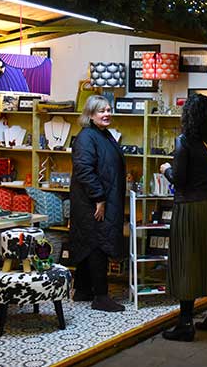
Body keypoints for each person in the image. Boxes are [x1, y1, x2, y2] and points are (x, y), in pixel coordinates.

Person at [159, 94, 207, 342]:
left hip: (189, 208)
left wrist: (166, 170)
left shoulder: (184, 142)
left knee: (187, 261)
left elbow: (180, 180)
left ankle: (185, 323)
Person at [70, 95, 126, 312]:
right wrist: (99, 199)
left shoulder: (103, 134)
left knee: (90, 242)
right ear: (90, 115)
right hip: (92, 202)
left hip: (102, 198)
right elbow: (84, 170)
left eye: (108, 109)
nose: (107, 114)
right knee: (97, 245)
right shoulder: (86, 137)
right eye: (101, 111)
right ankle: (100, 297)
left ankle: (83, 290)